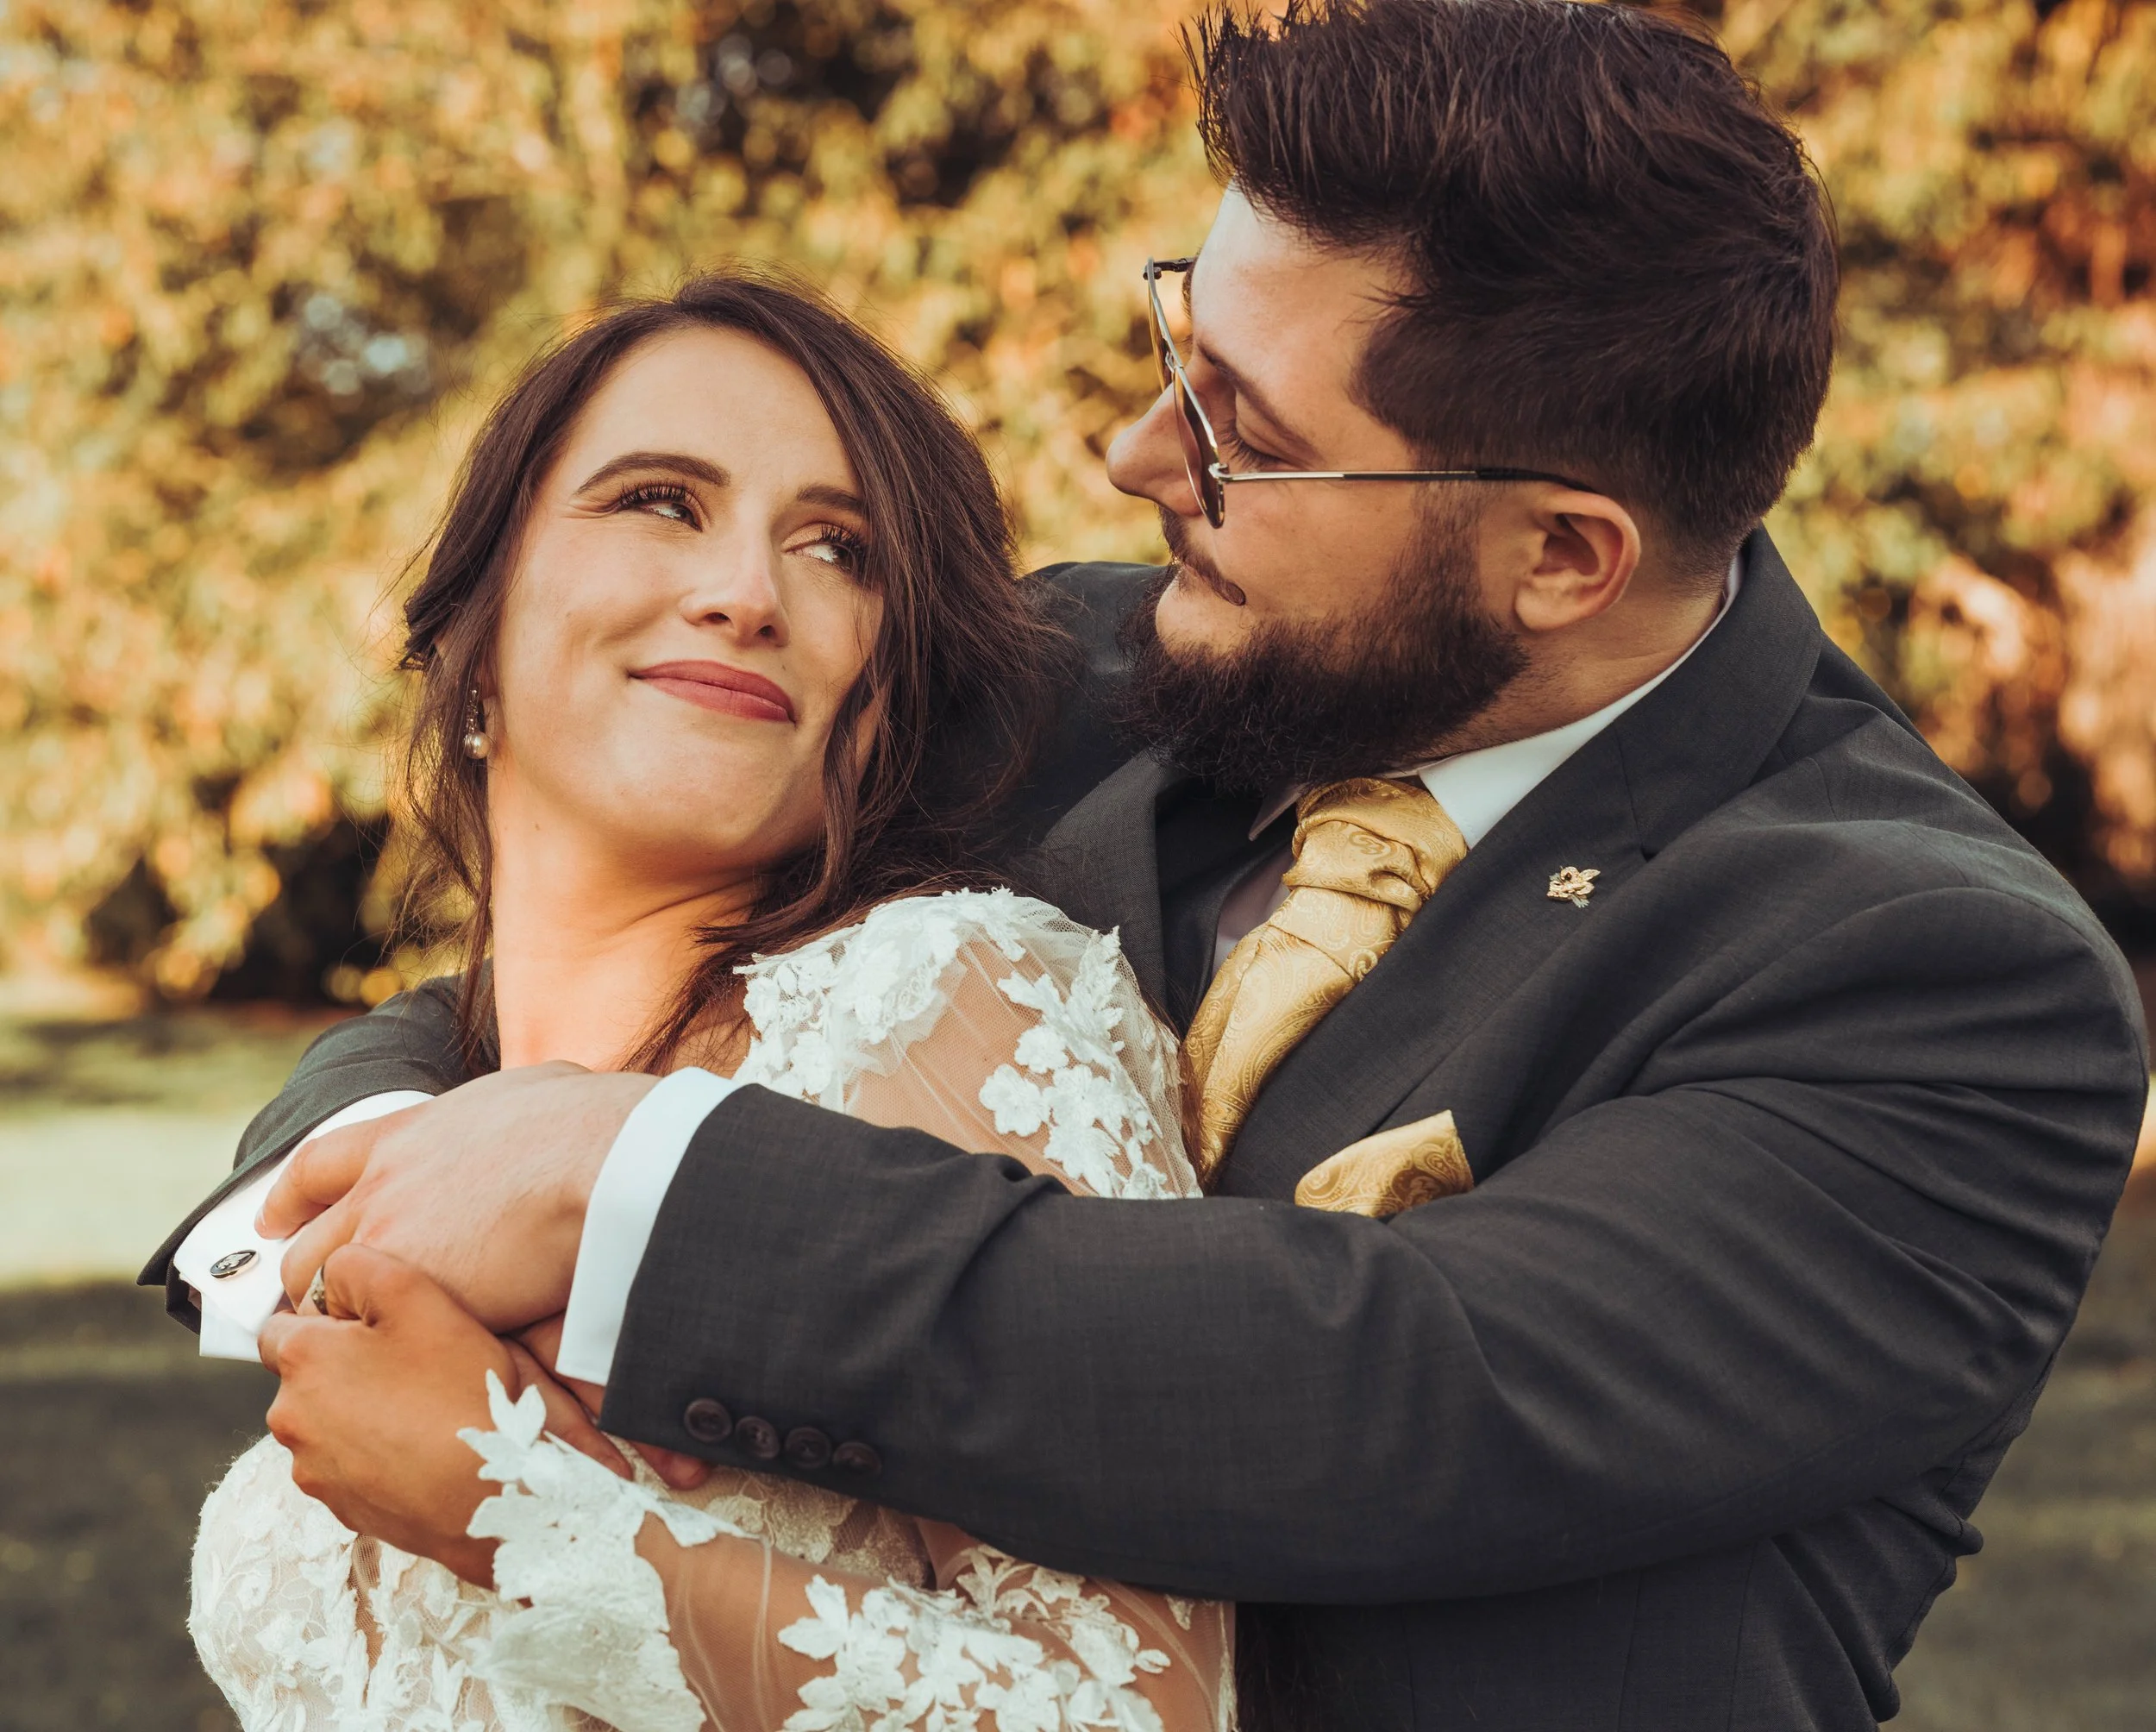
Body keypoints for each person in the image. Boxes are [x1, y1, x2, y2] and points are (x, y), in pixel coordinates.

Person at [147, 3, 2148, 1727]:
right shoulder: (1103, 663)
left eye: (1240, 434)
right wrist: (373, 1170)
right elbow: (591, 923)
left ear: (1559, 555)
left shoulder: (1930, 976)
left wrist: (627, 1186)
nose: (1130, 452)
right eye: (1178, 344)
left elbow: (1390, 1396)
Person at [179, 271, 1234, 1731]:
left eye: (840, 550)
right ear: (474, 640)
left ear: (888, 699)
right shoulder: (409, 1157)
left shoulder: (944, 1005)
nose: (747, 591)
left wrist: (527, 1522)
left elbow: (1148, 1708)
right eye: (661, 501)